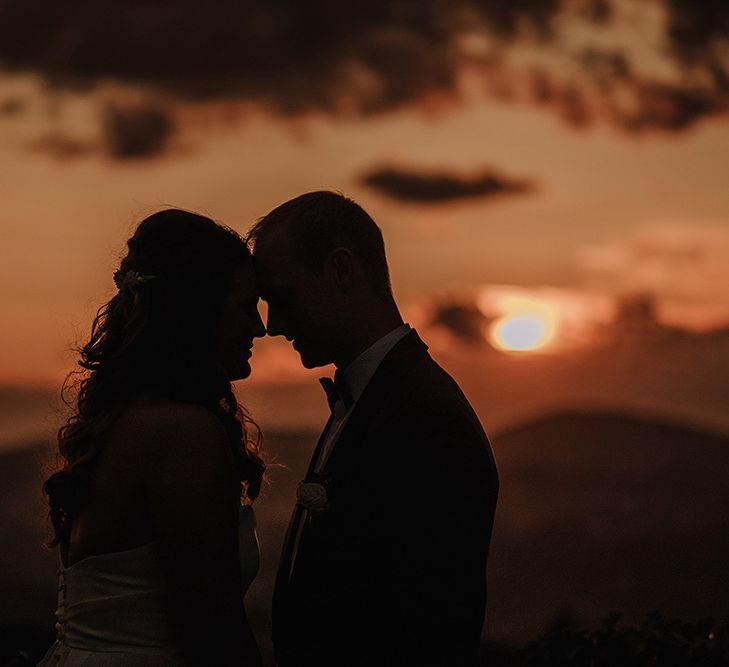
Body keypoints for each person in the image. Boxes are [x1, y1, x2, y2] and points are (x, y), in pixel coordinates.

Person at [248, 191, 499, 667]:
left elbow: (433, 627)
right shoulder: (370, 399)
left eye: (282, 297)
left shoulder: (428, 419)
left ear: (342, 269)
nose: (273, 325)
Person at [39, 209, 266, 666]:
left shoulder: (121, 419)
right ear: (198, 308)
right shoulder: (181, 432)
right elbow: (211, 625)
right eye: (245, 306)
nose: (259, 327)